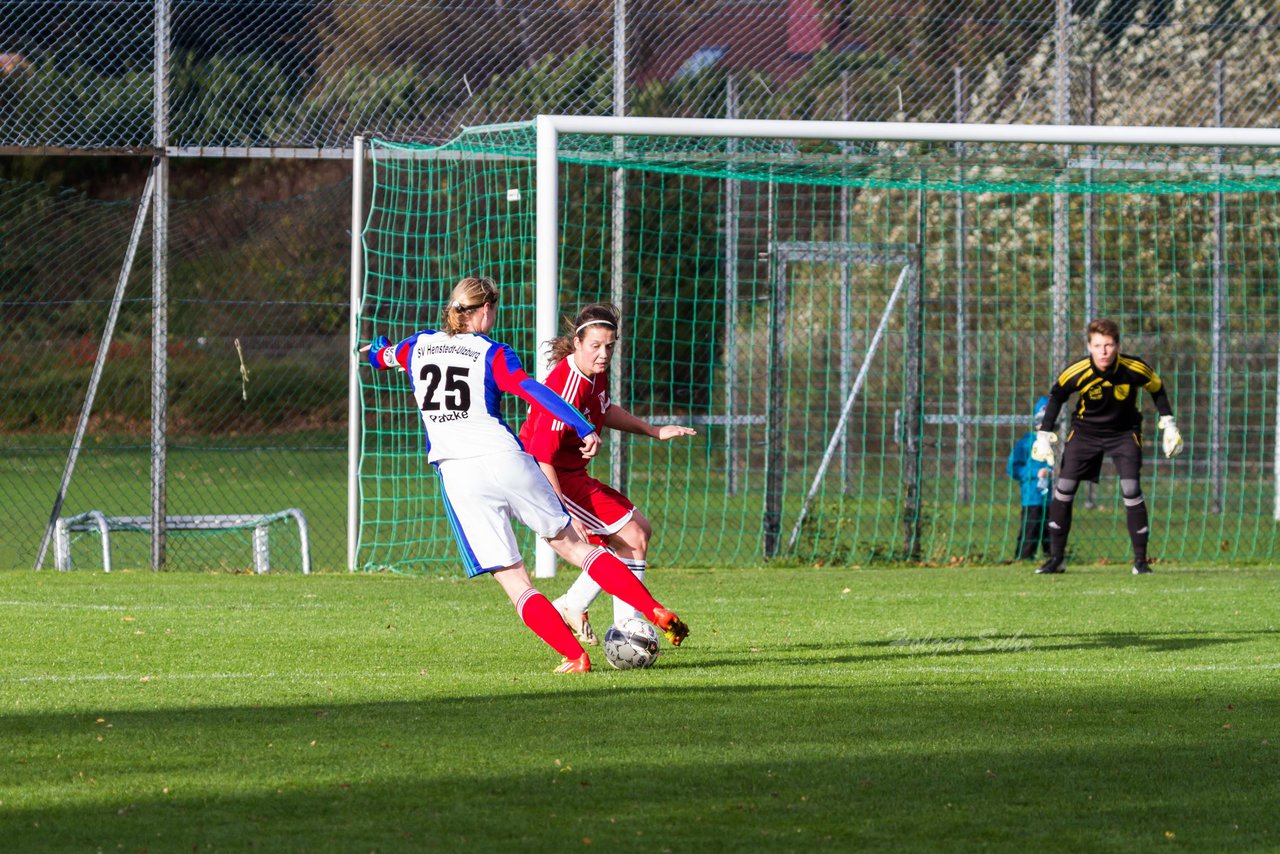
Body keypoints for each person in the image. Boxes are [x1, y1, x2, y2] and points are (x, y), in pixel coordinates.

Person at [363, 276, 689, 673]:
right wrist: (582, 425)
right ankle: (652, 608)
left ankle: (575, 656)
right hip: (507, 460)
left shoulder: (416, 346)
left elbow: (383, 356)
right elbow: (531, 389)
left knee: (516, 582)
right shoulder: (493, 352)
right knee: (577, 548)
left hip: (459, 476)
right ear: (486, 310)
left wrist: (372, 350)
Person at [517, 303, 697, 644]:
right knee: (632, 536)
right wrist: (565, 514)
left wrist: (654, 430)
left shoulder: (594, 373)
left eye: (609, 346)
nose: (603, 354)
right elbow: (542, 455)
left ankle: (574, 603)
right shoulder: (567, 385)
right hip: (547, 477)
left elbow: (605, 409)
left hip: (569, 474)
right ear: (578, 342)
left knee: (638, 531)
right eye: (595, 346)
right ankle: (626, 634)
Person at [1030, 318, 1184, 575]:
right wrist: (1044, 433)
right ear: (1089, 346)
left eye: (1109, 345)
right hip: (1084, 432)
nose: (1103, 351)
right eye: (1098, 345)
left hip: (1124, 433)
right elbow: (1057, 394)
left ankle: (1140, 562)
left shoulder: (1134, 367)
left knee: (1131, 488)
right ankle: (1056, 560)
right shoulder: (1077, 370)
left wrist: (1169, 422)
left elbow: (1157, 388)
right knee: (1064, 488)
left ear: (1118, 346)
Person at [1007, 396, 1054, 561]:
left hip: (1052, 497)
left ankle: (1053, 556)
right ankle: (1024, 556)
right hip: (1032, 496)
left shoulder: (1056, 443)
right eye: (1041, 421)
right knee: (1031, 525)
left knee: (1051, 527)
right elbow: (1013, 468)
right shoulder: (1026, 442)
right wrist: (1034, 474)